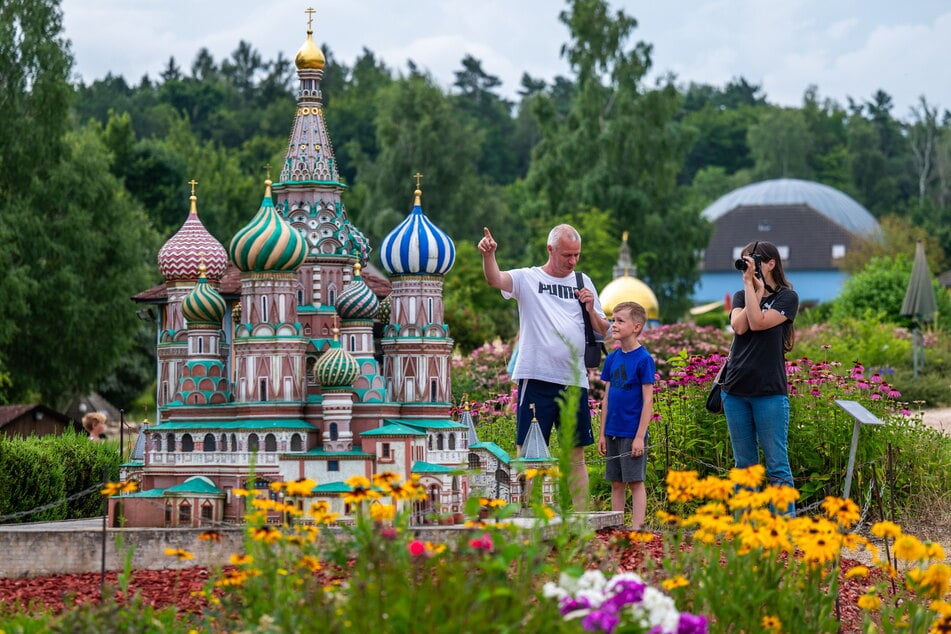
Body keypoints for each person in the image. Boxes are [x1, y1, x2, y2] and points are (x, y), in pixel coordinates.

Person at [478, 224, 609, 511]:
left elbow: (605, 331)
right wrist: (489, 255)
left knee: (575, 454)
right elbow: (495, 280)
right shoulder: (528, 278)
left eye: (576, 255)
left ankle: (581, 515)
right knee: (529, 453)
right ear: (550, 250)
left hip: (574, 379)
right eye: (566, 255)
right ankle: (526, 512)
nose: (572, 261)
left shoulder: (582, 280)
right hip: (536, 375)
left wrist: (590, 309)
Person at [723, 240, 799, 512]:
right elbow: (740, 327)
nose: (749, 267)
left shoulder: (787, 298)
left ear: (771, 264)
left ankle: (783, 531)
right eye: (745, 261)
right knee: (744, 465)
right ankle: (745, 528)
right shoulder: (742, 294)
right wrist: (750, 286)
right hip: (735, 390)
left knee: (777, 464)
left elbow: (758, 322)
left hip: (769, 392)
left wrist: (758, 289)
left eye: (753, 261)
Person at [597, 301, 655, 530]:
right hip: (612, 432)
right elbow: (606, 398)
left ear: (636, 327)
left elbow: (648, 400)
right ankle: (616, 526)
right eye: (613, 320)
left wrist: (640, 436)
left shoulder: (644, 359)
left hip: (632, 433)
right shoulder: (612, 358)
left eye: (620, 321)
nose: (614, 325)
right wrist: (602, 434)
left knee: (635, 482)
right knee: (617, 482)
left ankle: (637, 528)